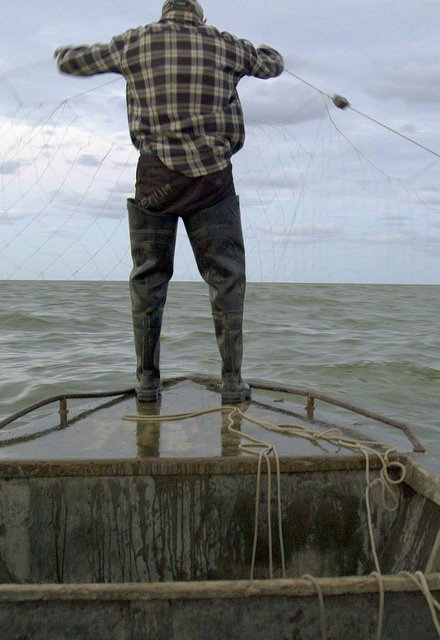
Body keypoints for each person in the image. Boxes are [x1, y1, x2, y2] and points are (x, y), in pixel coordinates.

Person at [55, 0, 284, 404]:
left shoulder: (135, 42)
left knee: (149, 278)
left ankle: (147, 384)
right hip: (213, 179)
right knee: (226, 278)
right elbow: (272, 64)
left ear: (165, 12)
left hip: (155, 177)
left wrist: (61, 53)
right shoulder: (226, 45)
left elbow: (74, 62)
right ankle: (232, 382)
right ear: (199, 15)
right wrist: (265, 51)